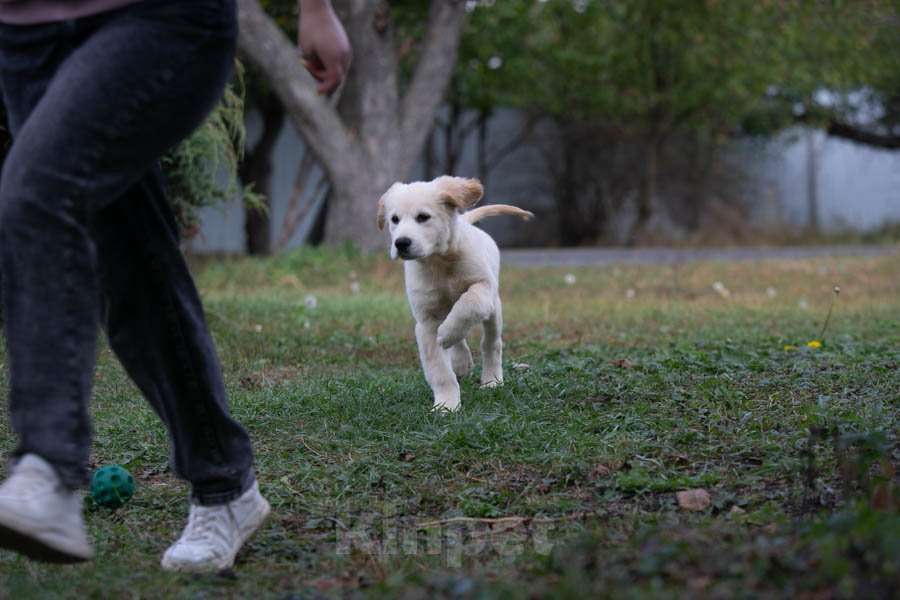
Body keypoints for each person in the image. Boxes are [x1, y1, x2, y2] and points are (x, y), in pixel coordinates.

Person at [0, 0, 350, 572]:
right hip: (25, 36)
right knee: (132, 264)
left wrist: (314, 7)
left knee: (40, 194)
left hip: (159, 19)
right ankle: (225, 484)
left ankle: (49, 466)